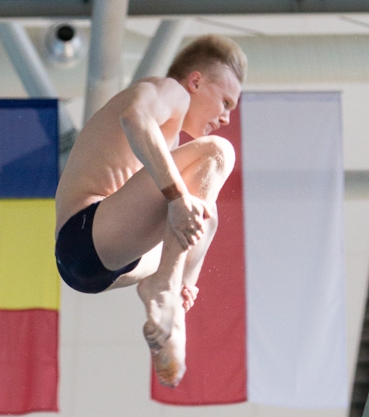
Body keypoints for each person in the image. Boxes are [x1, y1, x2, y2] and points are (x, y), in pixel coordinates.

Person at [55, 34, 246, 388]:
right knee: (219, 152)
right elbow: (133, 117)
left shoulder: (169, 142)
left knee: (208, 214)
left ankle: (175, 291)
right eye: (225, 102)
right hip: (85, 233)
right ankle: (165, 287)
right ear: (196, 81)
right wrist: (175, 197)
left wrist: (188, 263)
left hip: (100, 267)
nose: (225, 118)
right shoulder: (168, 91)